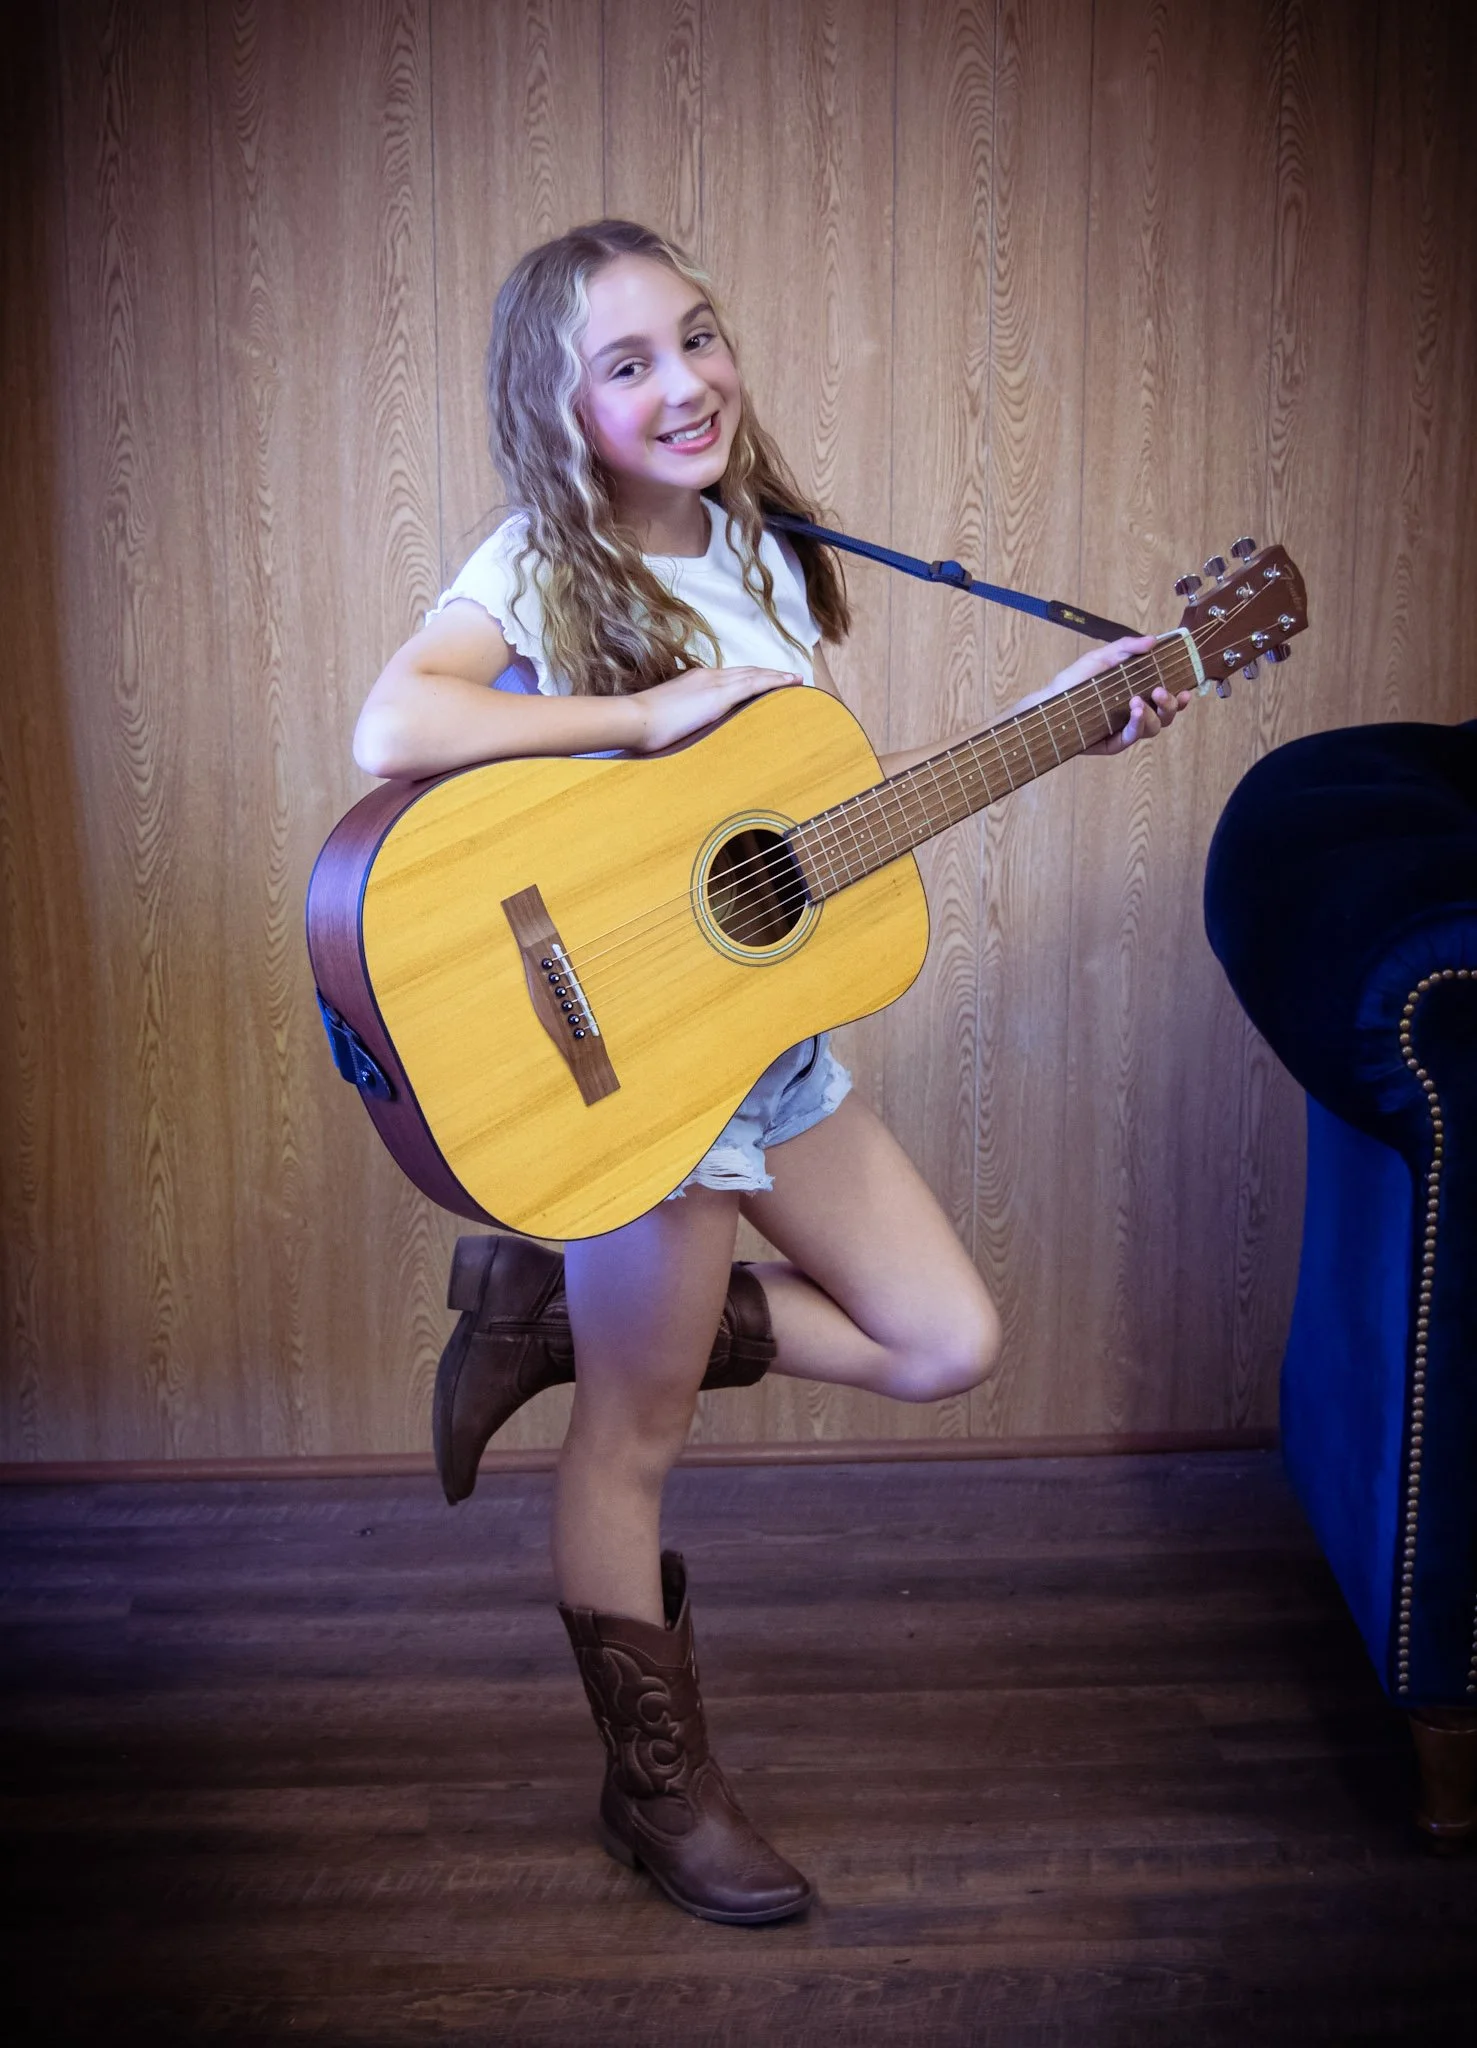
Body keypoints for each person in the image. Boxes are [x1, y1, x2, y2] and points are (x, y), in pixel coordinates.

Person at [353, 220, 1189, 1926]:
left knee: (947, 1341)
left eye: (699, 336)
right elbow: (397, 728)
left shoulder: (773, 549)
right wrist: (640, 719)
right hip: (639, 1091)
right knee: (632, 1432)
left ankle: (538, 1305)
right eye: (628, 361)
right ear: (559, 406)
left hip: (766, 1058)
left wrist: (1068, 711)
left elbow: (789, 830)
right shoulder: (537, 558)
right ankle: (657, 1792)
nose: (684, 382)